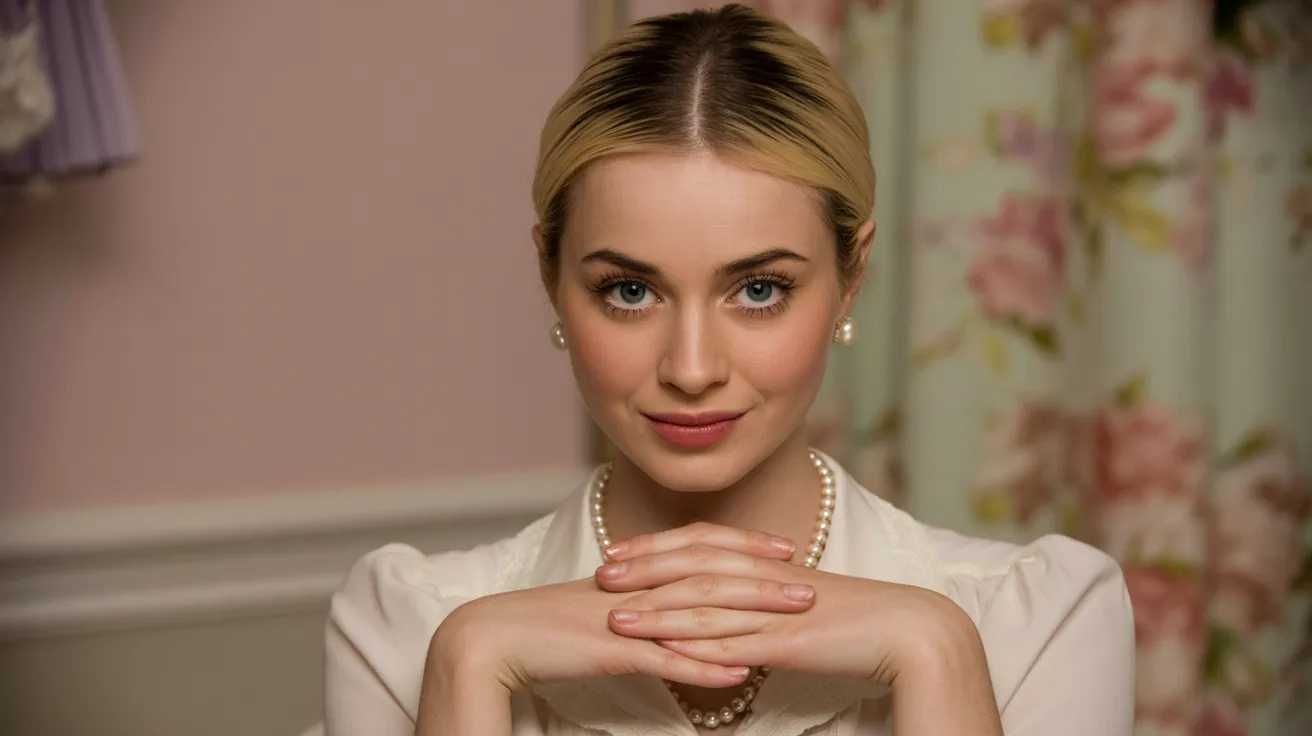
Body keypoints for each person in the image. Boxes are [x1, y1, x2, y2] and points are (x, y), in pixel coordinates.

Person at [323, 5, 1135, 735]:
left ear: (852, 273)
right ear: (550, 275)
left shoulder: (1036, 623)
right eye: (630, 290)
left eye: (758, 289)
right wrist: (468, 662)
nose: (692, 367)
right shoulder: (410, 625)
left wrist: (938, 652)